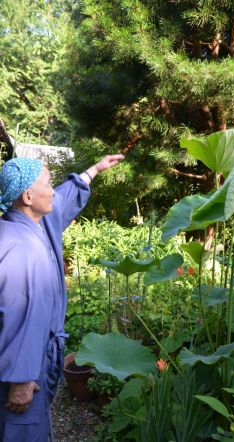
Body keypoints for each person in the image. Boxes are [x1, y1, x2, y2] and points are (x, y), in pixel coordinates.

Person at [0, 154, 124, 442]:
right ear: (29, 196)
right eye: (48, 183)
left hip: (31, 360)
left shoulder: (23, 223)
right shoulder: (22, 251)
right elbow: (22, 318)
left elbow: (60, 203)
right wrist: (22, 379)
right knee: (22, 431)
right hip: (20, 371)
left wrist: (93, 170)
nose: (53, 189)